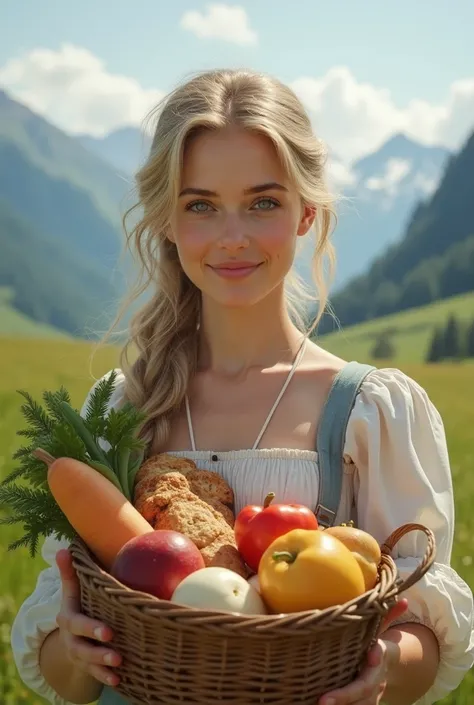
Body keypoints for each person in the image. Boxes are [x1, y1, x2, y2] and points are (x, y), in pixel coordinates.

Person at [10, 68, 474, 705]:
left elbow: (427, 630)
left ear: (306, 212)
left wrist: (385, 667)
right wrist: (77, 644)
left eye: (263, 202)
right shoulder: (121, 410)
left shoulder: (370, 411)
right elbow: (65, 676)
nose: (233, 236)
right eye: (200, 205)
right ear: (167, 221)